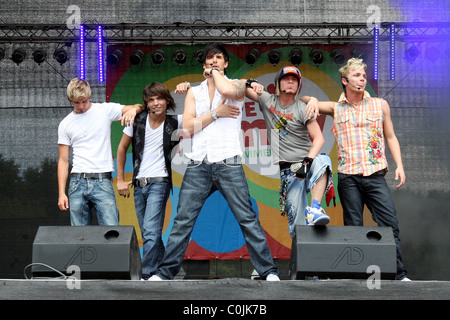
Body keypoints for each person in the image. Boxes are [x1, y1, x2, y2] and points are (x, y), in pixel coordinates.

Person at [149, 44, 280, 281]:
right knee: (182, 222)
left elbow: (228, 92)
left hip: (228, 162)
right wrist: (215, 113)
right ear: (203, 64)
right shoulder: (194, 92)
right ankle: (165, 272)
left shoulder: (238, 85)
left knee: (247, 219)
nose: (214, 61)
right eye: (209, 58)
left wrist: (217, 76)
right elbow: (188, 127)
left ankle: (268, 271)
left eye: (218, 58)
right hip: (198, 163)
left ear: (225, 63)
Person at [303, 58, 409, 280]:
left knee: (390, 224)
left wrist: (399, 165)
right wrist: (312, 98)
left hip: (375, 174)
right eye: (356, 76)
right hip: (348, 176)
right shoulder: (335, 107)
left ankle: (399, 275)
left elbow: (390, 136)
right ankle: (359, 277)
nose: (362, 79)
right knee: (354, 229)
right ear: (345, 81)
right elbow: (303, 100)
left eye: (363, 75)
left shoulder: (380, 104)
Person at [245, 66, 333, 238]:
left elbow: (319, 139)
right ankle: (302, 263)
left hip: (307, 163)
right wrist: (251, 82)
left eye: (295, 80)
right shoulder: (268, 100)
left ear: (298, 86)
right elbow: (239, 86)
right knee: (297, 228)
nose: (291, 82)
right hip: (289, 172)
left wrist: (307, 163)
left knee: (323, 161)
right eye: (286, 79)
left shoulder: (302, 107)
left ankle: (315, 208)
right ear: (278, 84)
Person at [116, 82, 182, 280]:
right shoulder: (136, 120)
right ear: (146, 103)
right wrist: (120, 179)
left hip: (159, 183)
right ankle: (164, 270)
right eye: (151, 100)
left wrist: (188, 89)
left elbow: (200, 117)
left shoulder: (176, 121)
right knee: (148, 233)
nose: (155, 103)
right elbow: (121, 149)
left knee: (152, 233)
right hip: (139, 184)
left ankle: (146, 274)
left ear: (167, 100)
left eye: (159, 98)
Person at [58, 77, 143, 226]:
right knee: (79, 235)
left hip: (102, 180)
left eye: (84, 101)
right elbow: (63, 161)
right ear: (71, 100)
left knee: (111, 231)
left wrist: (134, 110)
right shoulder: (65, 123)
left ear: (89, 97)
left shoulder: (104, 110)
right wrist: (61, 193)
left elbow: (139, 106)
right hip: (77, 181)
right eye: (77, 102)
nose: (81, 106)